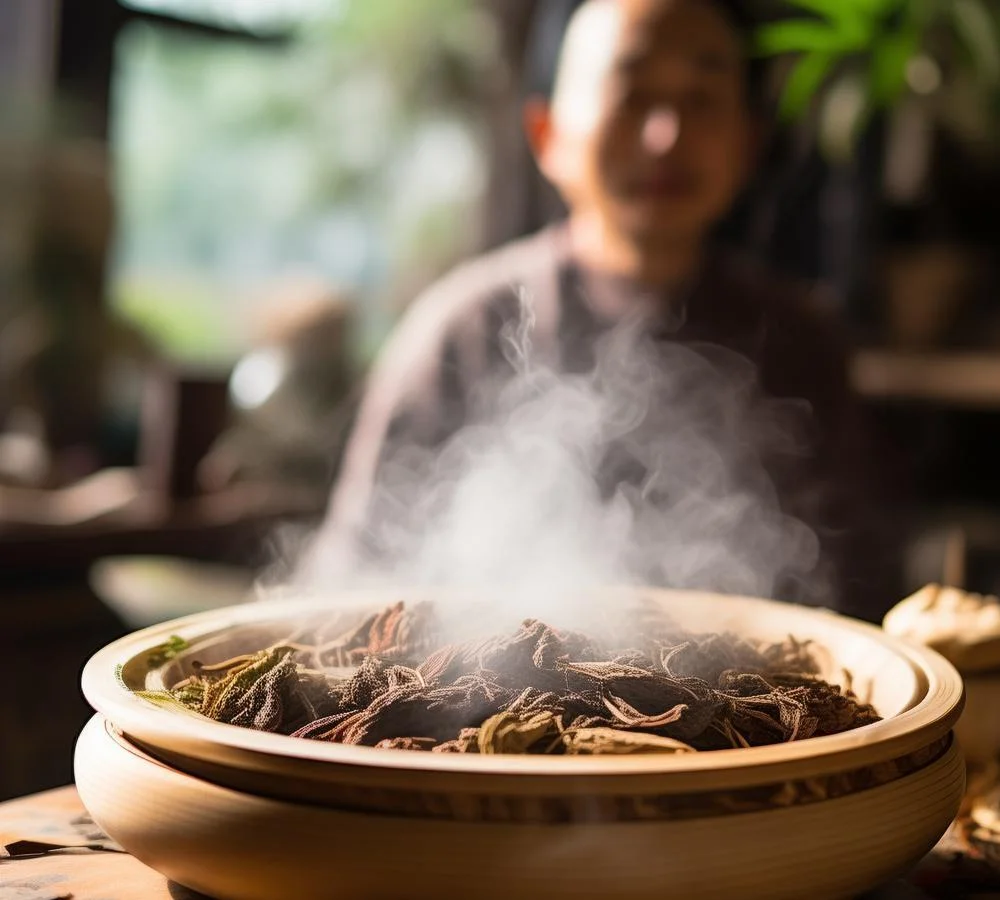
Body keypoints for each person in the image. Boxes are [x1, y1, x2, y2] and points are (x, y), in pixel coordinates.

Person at [312, 0, 900, 620]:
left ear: (748, 144)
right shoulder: (464, 334)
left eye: (701, 100)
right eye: (631, 95)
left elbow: (862, 594)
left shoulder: (802, 346)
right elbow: (349, 588)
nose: (666, 135)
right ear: (547, 135)